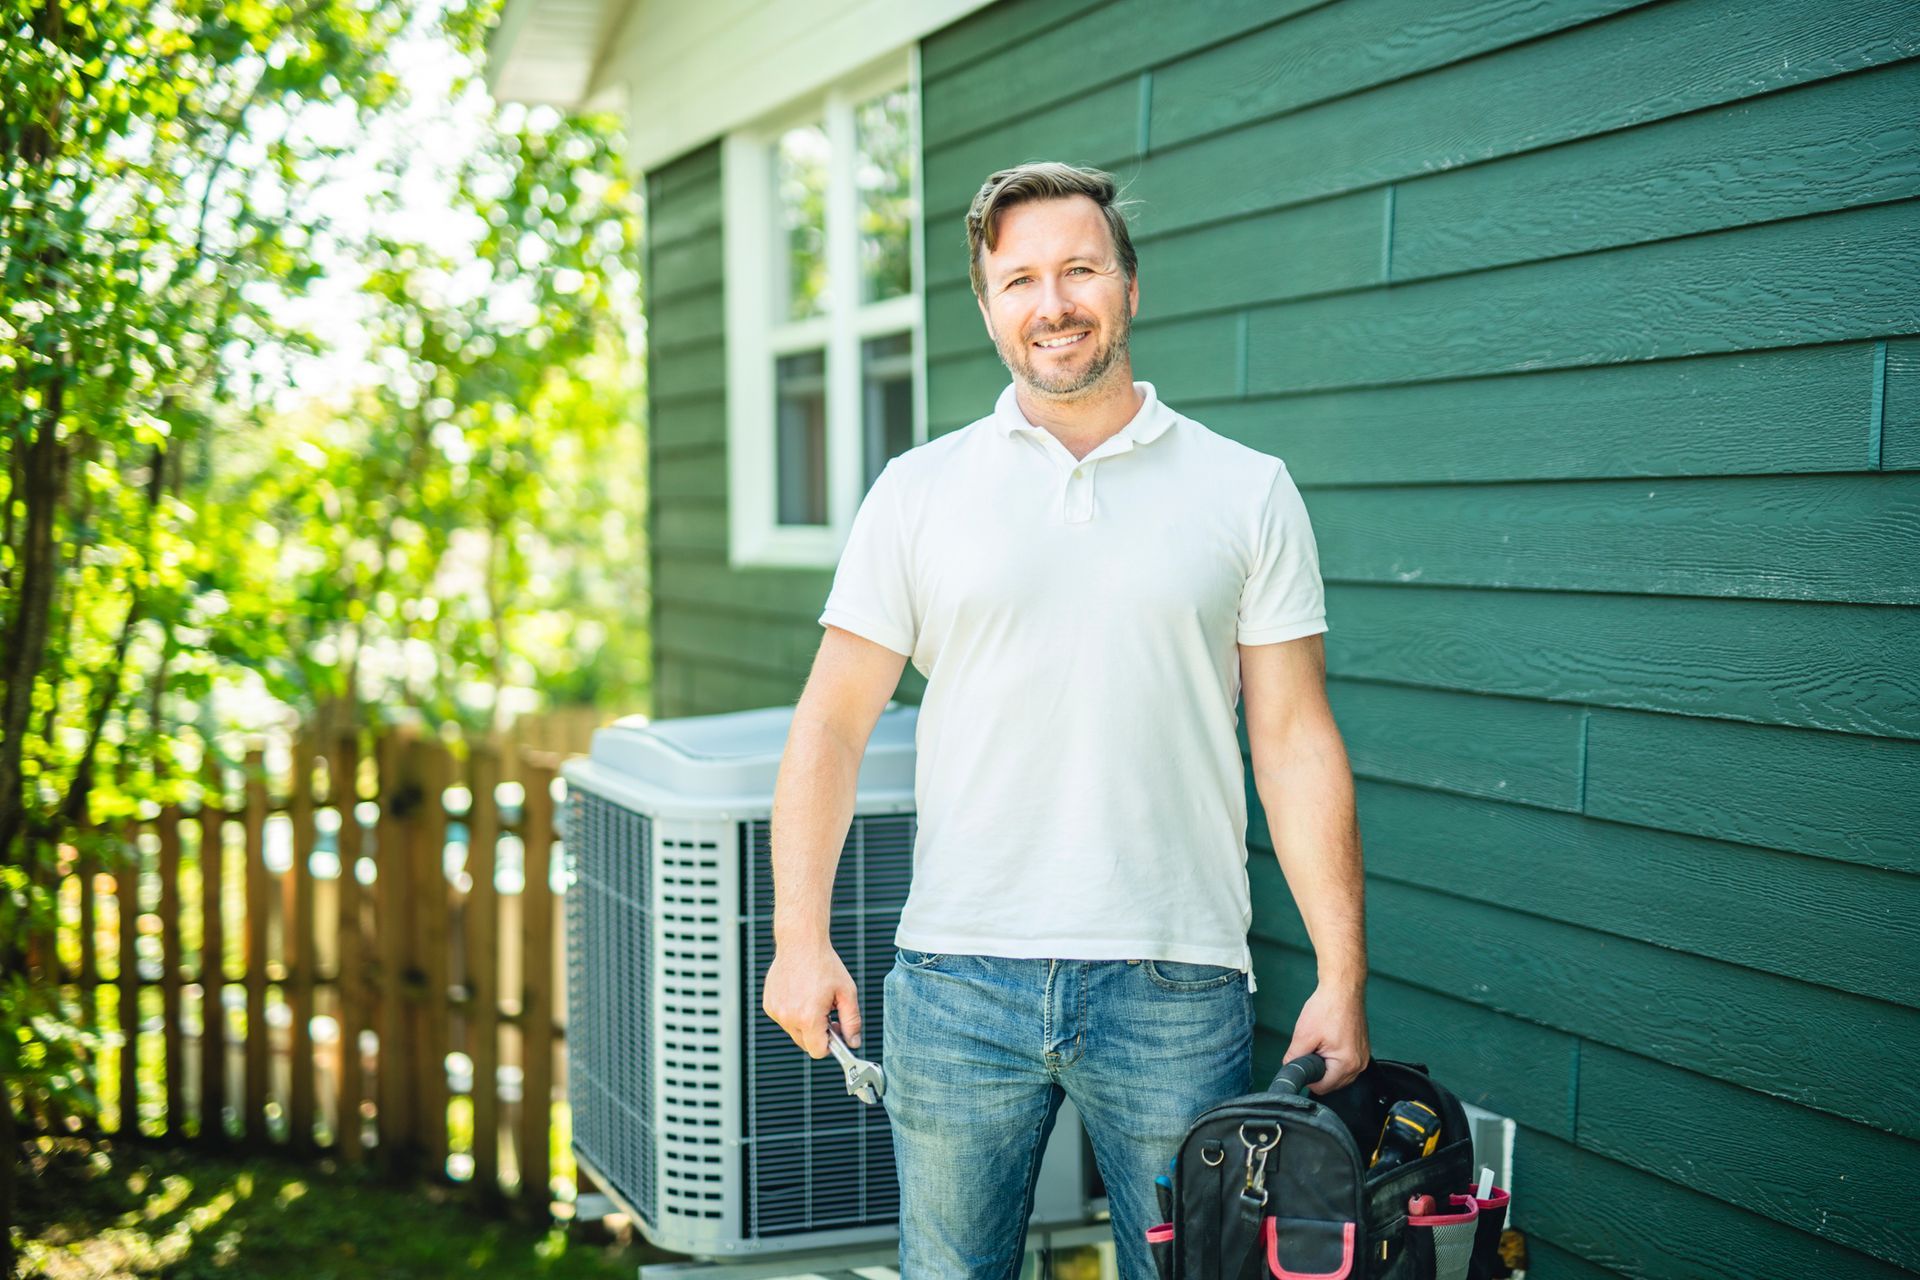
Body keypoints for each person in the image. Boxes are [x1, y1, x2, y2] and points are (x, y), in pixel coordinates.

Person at [761, 161, 1369, 1279]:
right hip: (956, 976)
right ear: (988, 307)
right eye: (1021, 278)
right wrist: (799, 933)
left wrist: (1341, 969)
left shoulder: (1248, 490)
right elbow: (830, 724)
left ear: (1130, 287)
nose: (1054, 302)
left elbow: (1293, 738)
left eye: (1081, 268)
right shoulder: (917, 490)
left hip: (1176, 980)